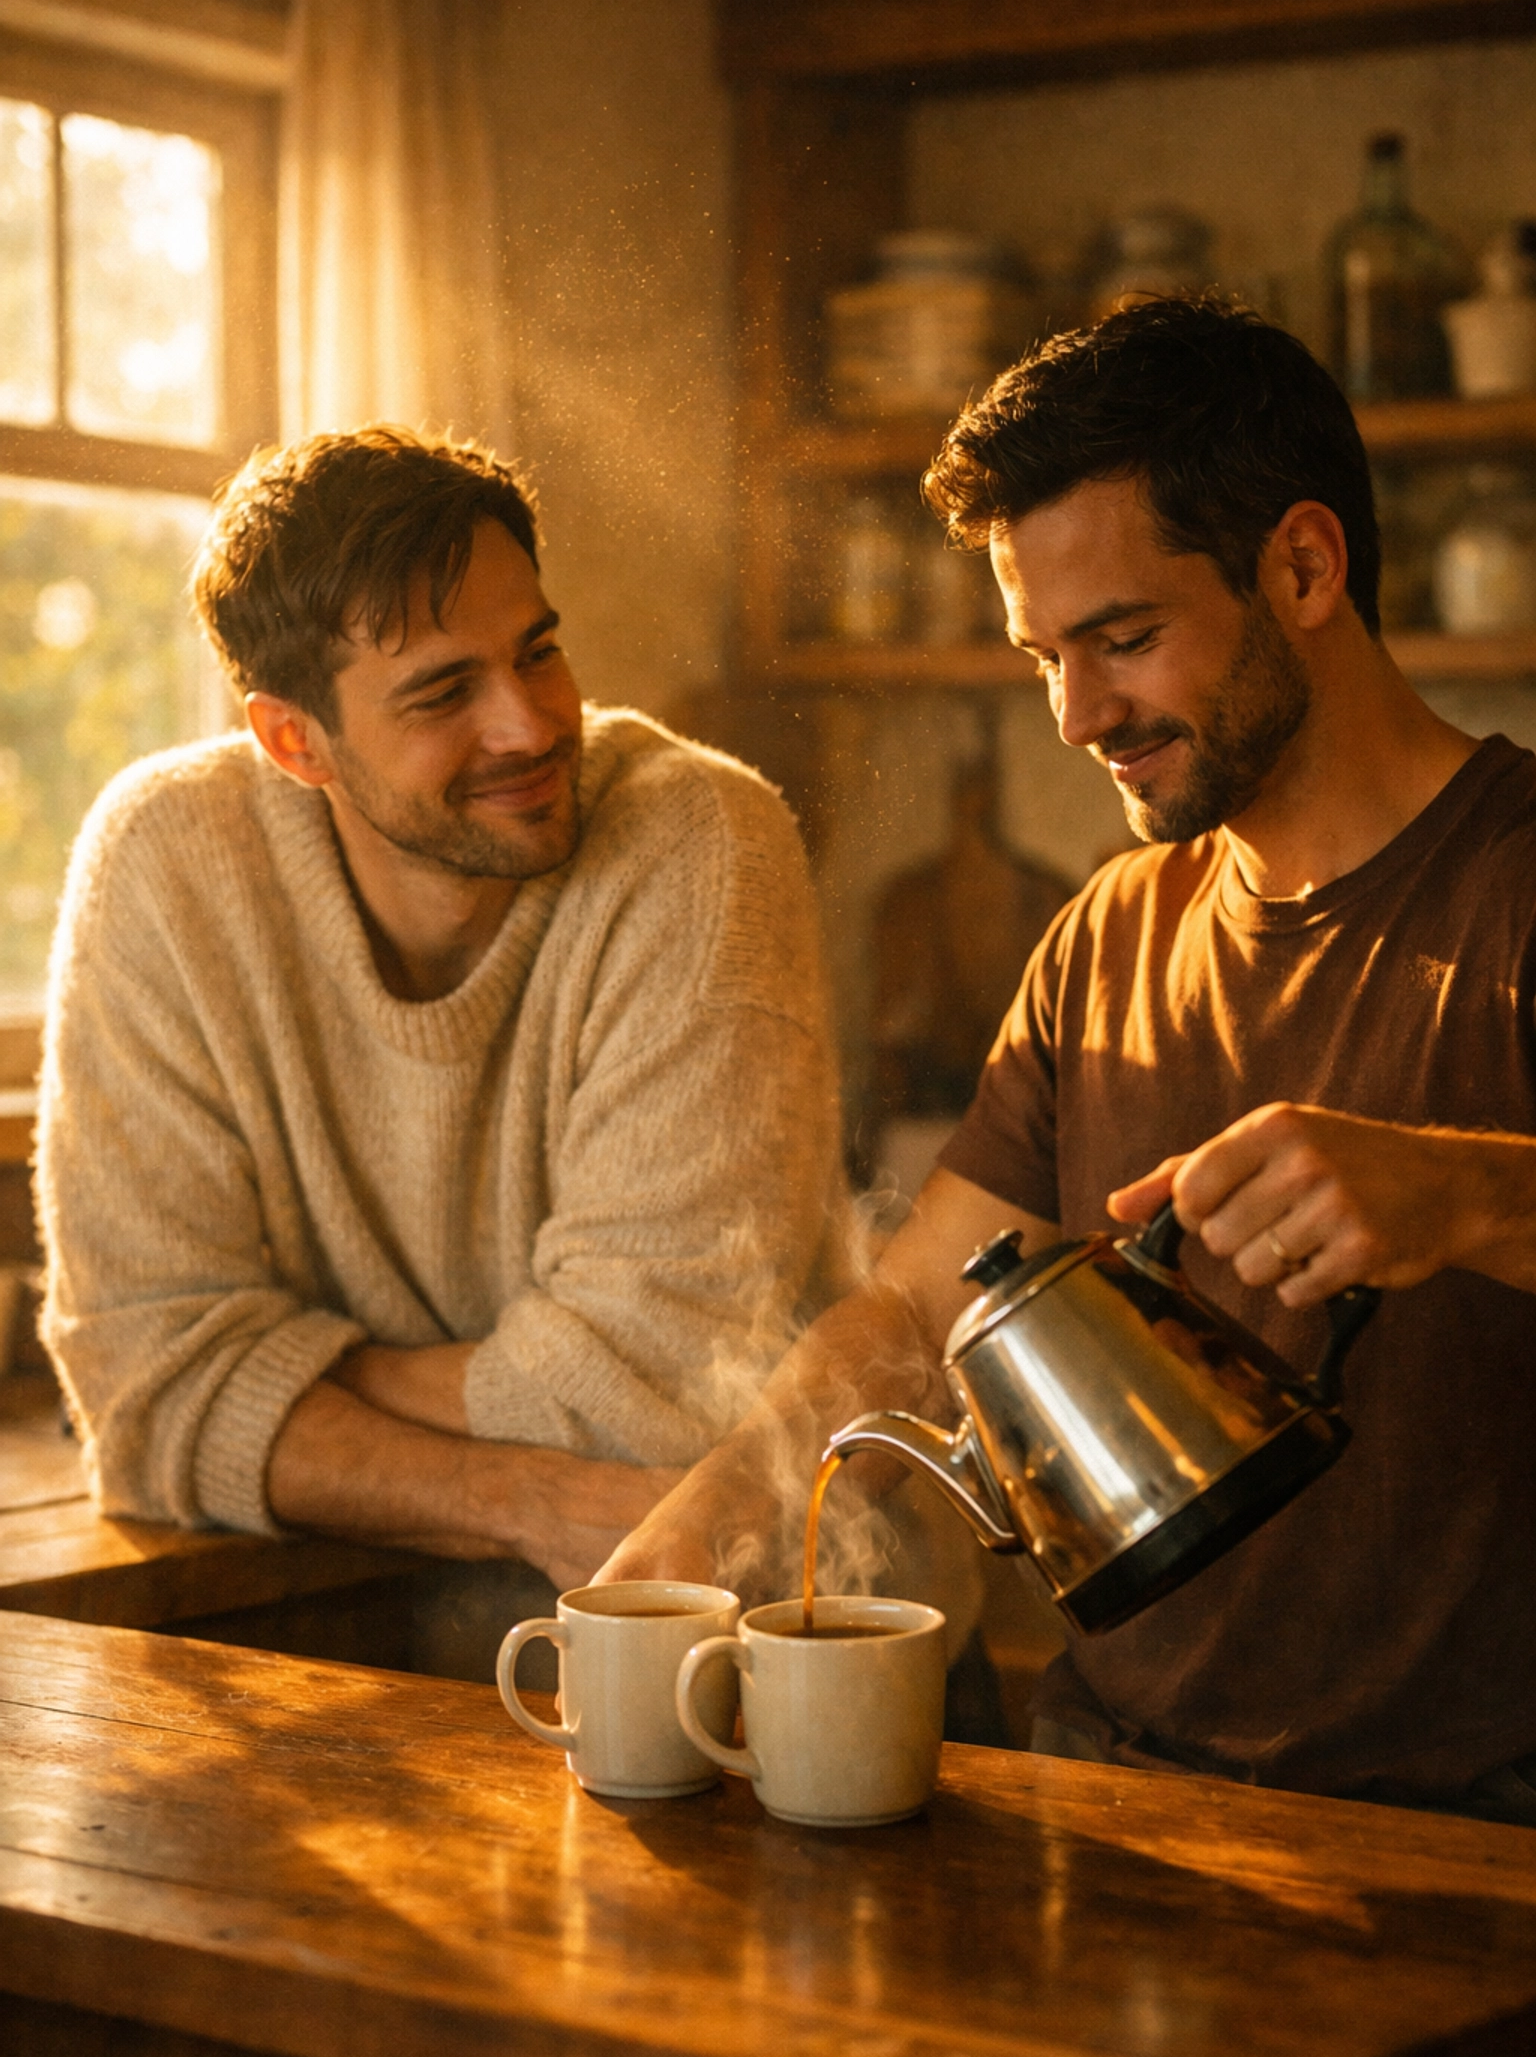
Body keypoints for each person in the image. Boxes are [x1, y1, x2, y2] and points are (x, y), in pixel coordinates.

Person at [601, 296, 1536, 1823]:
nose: (1078, 715)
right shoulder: (1108, 932)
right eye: (1045, 655)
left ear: (1303, 566)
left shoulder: (1516, 884)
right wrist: (705, 1534)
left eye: (1125, 640)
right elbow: (918, 1307)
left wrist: (1467, 1195)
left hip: (1471, 1825)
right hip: (1106, 1786)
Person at [36, 426, 848, 1621]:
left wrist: (304, 1378)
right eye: (443, 692)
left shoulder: (703, 840)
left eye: (540, 652)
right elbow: (143, 1396)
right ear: (291, 740)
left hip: (766, 1652)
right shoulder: (164, 861)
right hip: (372, 1687)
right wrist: (517, 1497)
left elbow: (658, 1391)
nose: (528, 726)